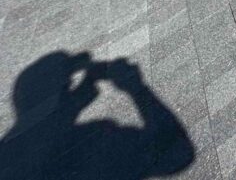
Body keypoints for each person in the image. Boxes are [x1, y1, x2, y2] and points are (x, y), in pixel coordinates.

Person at [0, 50, 194, 179]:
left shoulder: (7, 157)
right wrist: (137, 88)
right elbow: (177, 152)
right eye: (69, 82)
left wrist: (73, 101)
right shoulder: (93, 145)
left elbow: (40, 131)